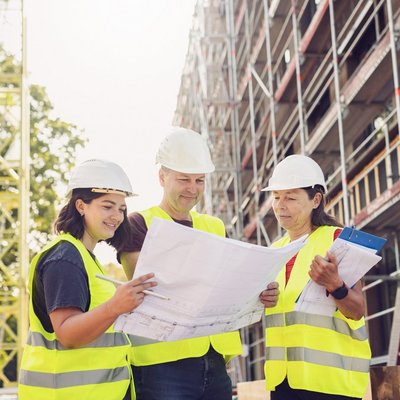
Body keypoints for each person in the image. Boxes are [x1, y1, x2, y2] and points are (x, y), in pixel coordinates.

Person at [117, 127, 279, 400]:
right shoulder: (138, 224)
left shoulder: (214, 226)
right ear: (162, 177)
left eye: (199, 180)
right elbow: (148, 287)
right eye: (183, 180)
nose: (192, 189)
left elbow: (229, 285)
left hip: (214, 360)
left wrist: (256, 293)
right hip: (162, 365)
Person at [18, 159, 157, 400]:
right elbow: (68, 333)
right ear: (81, 206)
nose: (117, 216)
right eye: (107, 206)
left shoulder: (85, 259)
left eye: (122, 209)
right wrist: (116, 306)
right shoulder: (64, 259)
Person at [261, 154, 371, 400]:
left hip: (330, 385)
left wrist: (335, 285)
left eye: (290, 197)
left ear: (316, 200)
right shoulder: (273, 252)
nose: (280, 205)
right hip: (283, 383)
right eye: (276, 197)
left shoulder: (339, 240)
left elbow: (357, 310)